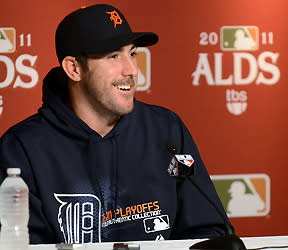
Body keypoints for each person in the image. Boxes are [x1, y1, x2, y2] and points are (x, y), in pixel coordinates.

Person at [0, 4, 233, 244]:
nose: (131, 69)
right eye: (113, 56)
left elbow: (209, 232)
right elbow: (20, 245)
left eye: (132, 53)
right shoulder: (22, 148)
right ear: (74, 68)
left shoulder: (166, 130)